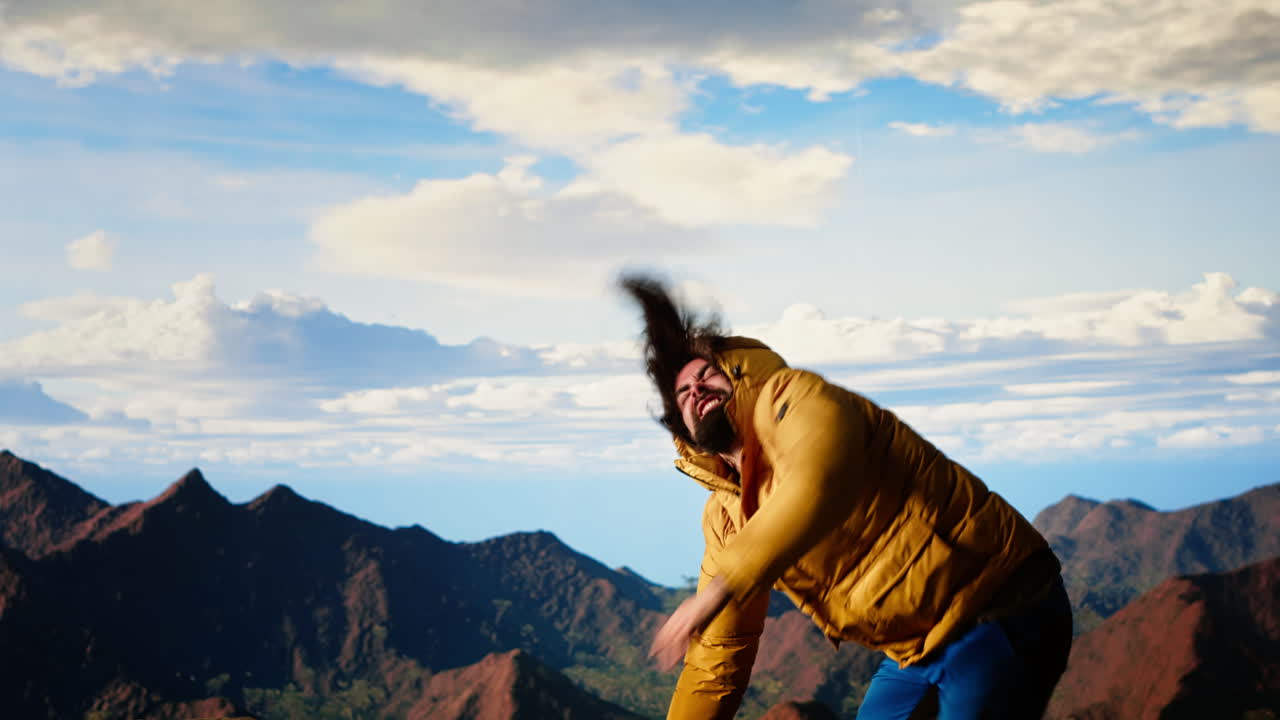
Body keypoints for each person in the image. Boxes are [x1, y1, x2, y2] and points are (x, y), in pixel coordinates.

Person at [619, 275, 1072, 720]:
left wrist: (721, 586)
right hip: (917, 647)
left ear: (740, 378)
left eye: (707, 375)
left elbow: (819, 474)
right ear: (682, 427)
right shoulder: (726, 519)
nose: (696, 390)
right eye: (683, 393)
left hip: (1002, 604)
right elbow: (716, 661)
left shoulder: (793, 399)